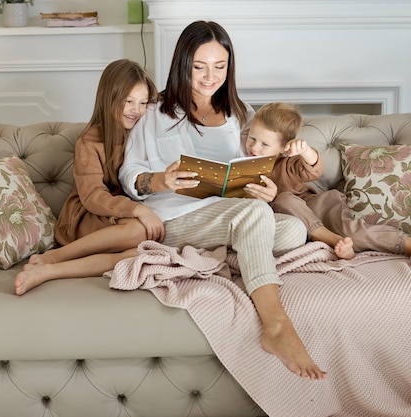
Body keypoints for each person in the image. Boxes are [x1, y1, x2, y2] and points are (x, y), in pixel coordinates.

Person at [119, 20, 327, 380]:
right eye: (199, 67)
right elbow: (129, 174)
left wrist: (267, 190)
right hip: (175, 217)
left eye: (219, 67)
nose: (208, 77)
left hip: (230, 212)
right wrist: (159, 180)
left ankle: (223, 252)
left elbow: (256, 166)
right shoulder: (154, 114)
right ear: (182, 63)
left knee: (293, 230)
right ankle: (276, 324)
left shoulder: (239, 112)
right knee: (252, 216)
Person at [14, 59, 163, 296]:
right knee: (140, 232)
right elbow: (93, 195)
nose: (137, 110)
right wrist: (137, 209)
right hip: (88, 214)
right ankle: (54, 256)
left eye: (143, 103)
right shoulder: (90, 141)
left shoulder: (143, 134)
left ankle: (48, 272)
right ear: (109, 98)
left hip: (121, 220)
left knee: (148, 252)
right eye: (129, 101)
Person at [246, 102, 411, 262]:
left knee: (353, 233)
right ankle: (333, 242)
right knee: (283, 200)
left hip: (319, 208)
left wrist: (305, 151)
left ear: (283, 147)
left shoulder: (289, 163)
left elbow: (314, 168)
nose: (254, 147)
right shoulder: (244, 167)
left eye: (264, 144)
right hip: (293, 225)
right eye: (252, 138)